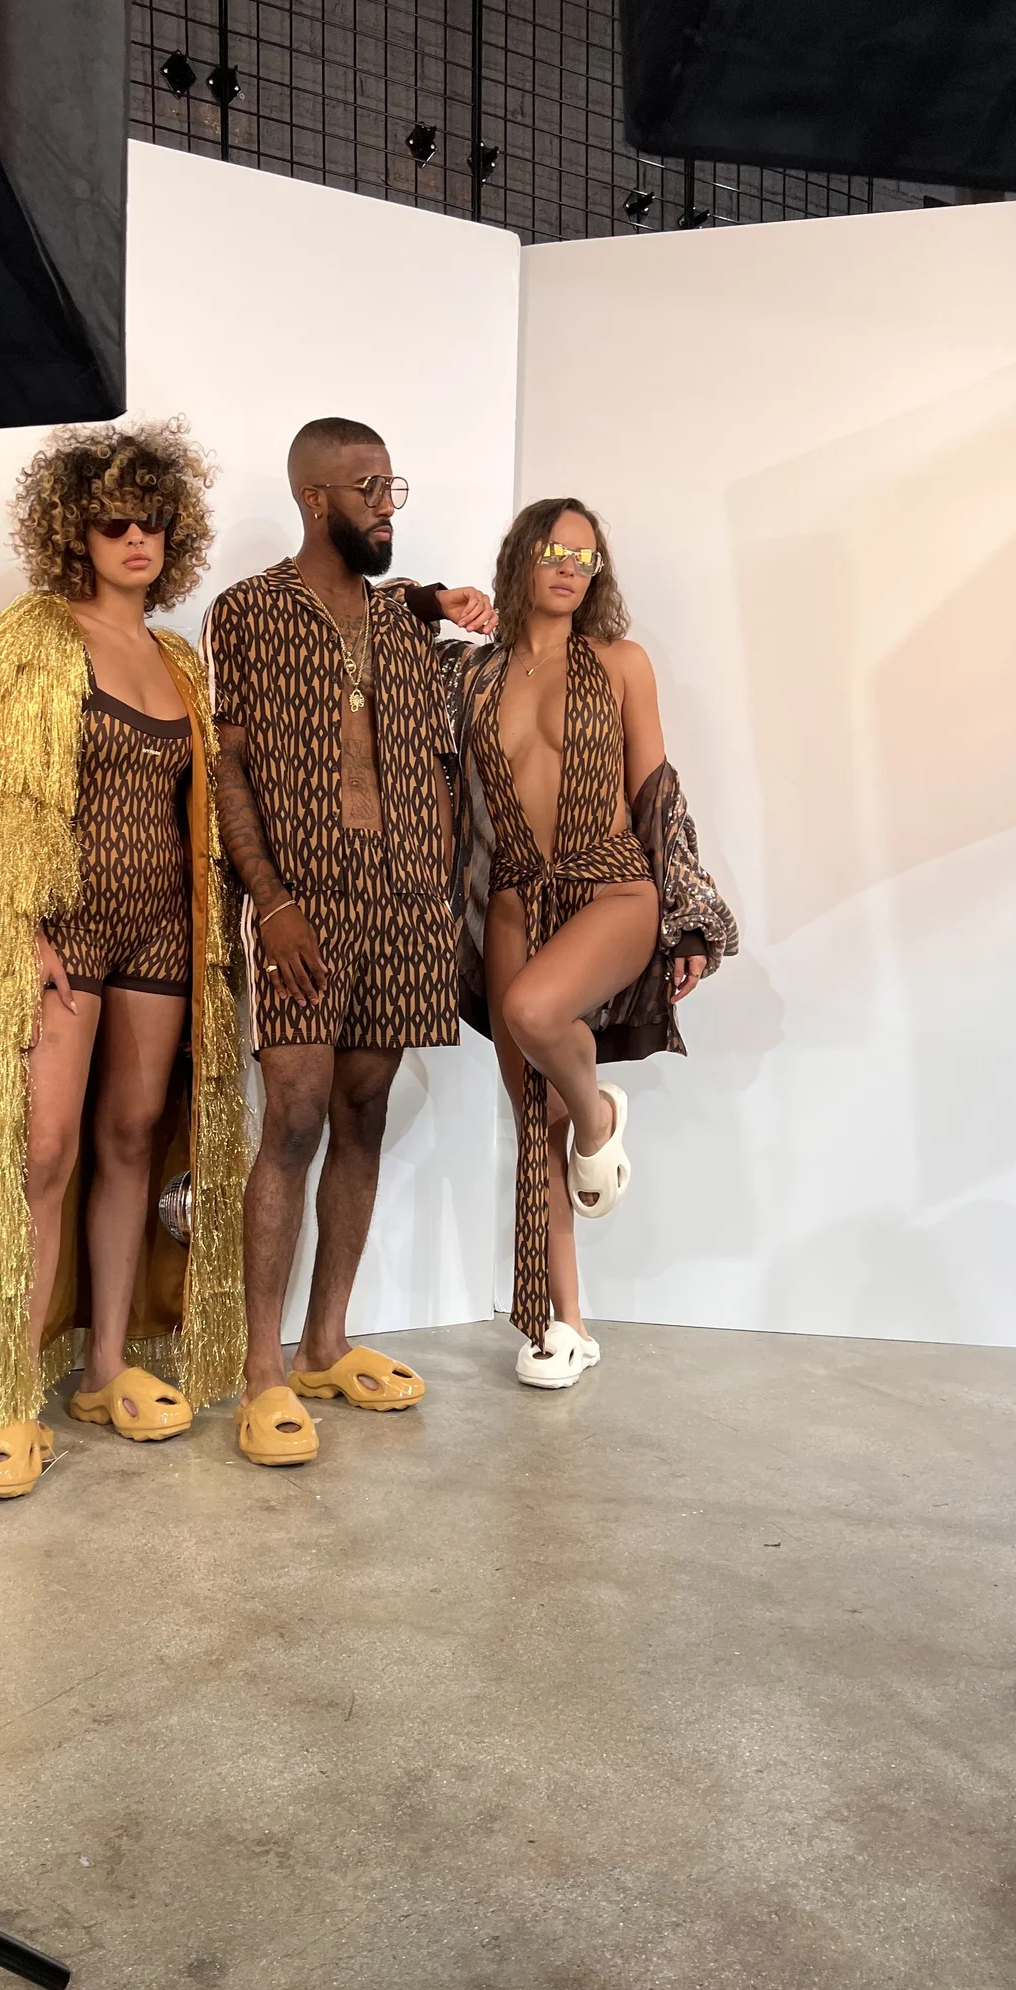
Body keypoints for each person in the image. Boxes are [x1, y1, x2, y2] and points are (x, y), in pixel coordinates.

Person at [0, 420, 247, 1499]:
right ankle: (7, 1395)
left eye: (153, 520)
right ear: (73, 531)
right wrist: (20, 929)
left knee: (133, 1134)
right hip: (66, 929)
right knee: (40, 1149)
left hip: (162, 932)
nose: (137, 538)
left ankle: (107, 1364)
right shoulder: (33, 641)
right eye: (114, 520)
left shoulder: (179, 661)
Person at [199, 416, 495, 1466]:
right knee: (293, 1116)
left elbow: (443, 739)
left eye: (392, 488)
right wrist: (270, 900)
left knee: (363, 1113)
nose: (386, 506)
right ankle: (262, 1370)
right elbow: (229, 766)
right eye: (369, 488)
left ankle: (325, 1342)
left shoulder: (408, 623)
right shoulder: (247, 612)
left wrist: (434, 599)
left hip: (407, 900)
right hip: (305, 899)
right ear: (315, 498)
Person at [450, 498, 737, 1389]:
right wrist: (430, 601)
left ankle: (598, 1117)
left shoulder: (621, 662)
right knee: (531, 1120)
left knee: (535, 1011)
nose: (570, 567)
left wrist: (689, 916)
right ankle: (563, 1324)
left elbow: (655, 791)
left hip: (614, 881)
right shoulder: (472, 675)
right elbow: (375, 630)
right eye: (554, 550)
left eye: (585, 555)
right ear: (520, 559)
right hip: (515, 896)